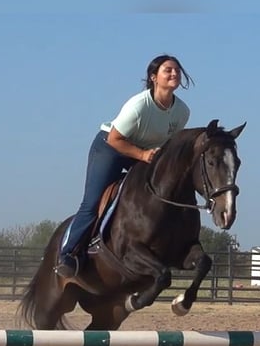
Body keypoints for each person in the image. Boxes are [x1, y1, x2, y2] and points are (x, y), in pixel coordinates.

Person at [55, 54, 194, 278]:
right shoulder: (139, 105)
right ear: (153, 77)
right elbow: (114, 139)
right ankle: (67, 254)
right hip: (110, 147)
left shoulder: (182, 112)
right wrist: (142, 155)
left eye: (177, 70)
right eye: (168, 70)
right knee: (91, 203)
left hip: (144, 153)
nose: (174, 73)